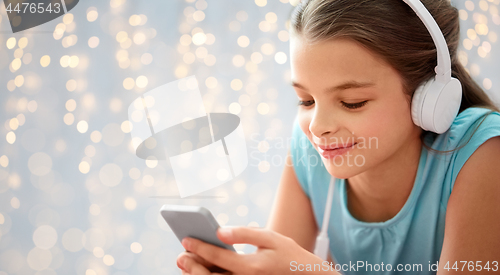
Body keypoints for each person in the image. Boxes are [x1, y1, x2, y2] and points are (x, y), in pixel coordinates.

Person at [176, 0, 500, 274]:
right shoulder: (311, 146)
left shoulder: (482, 152)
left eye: (352, 102)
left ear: (430, 99)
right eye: (306, 101)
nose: (318, 127)